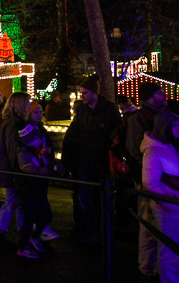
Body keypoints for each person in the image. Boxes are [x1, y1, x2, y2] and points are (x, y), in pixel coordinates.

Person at [62, 73, 122, 242]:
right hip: (85, 161)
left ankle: (103, 228)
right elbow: (74, 133)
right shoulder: (82, 110)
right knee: (84, 196)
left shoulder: (109, 110)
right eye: (82, 93)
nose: (82, 96)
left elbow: (118, 135)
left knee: (102, 197)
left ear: (95, 93)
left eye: (85, 93)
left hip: (102, 161)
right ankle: (93, 227)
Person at [126, 82, 166, 280]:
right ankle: (147, 266)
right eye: (160, 94)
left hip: (159, 175)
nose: (164, 97)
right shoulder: (139, 119)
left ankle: (153, 265)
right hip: (148, 177)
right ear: (149, 97)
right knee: (148, 222)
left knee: (157, 221)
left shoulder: (156, 115)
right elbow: (135, 150)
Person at [140, 110, 179, 283]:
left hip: (172, 205)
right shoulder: (153, 152)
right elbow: (151, 184)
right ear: (166, 127)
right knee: (170, 251)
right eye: (176, 126)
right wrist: (170, 204)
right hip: (168, 208)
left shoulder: (169, 146)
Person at [14, 119, 60, 258]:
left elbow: (46, 160)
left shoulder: (37, 149)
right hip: (28, 190)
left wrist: (53, 165)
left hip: (37, 188)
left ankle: (34, 236)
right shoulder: (23, 152)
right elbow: (31, 169)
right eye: (36, 138)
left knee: (46, 215)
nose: (39, 139)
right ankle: (23, 246)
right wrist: (49, 170)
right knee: (29, 219)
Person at [0, 92, 30, 248]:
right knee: (13, 202)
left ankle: (17, 233)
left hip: (10, 170)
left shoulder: (10, 123)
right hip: (13, 171)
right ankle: (3, 234)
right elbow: (13, 150)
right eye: (28, 103)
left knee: (15, 202)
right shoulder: (15, 125)